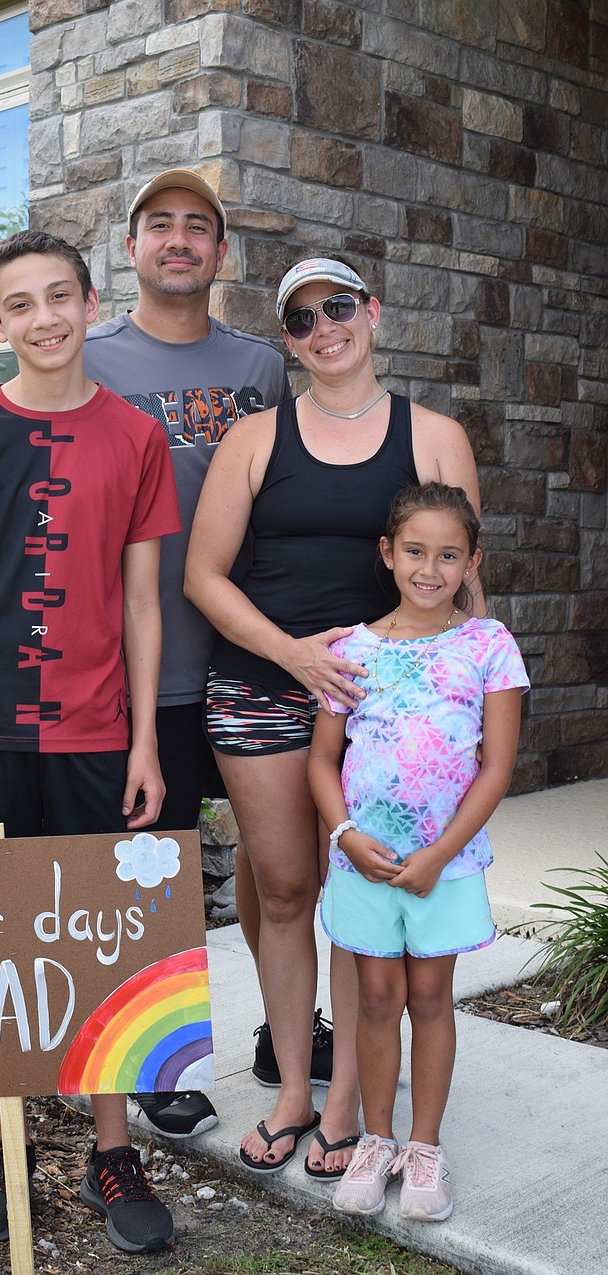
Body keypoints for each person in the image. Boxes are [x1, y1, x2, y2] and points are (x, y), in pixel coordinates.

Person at [0, 171, 336, 1139]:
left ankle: (285, 1032)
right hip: (113, 683)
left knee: (284, 875)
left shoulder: (258, 367)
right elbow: (13, 421)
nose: (180, 241)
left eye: (200, 228)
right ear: (130, 253)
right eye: (160, 226)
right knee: (139, 885)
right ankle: (148, 1072)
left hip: (241, 661)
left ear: (221, 254)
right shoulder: (85, 351)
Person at [0, 229, 182, 1253]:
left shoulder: (137, 436)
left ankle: (113, 1149)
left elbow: (144, 605)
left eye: (58, 297)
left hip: (98, 735)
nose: (43, 319)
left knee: (110, 942)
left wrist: (146, 744)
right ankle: (4, 1140)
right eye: (19, 305)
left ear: (89, 300)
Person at [184, 257, 485, 1178]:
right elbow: (203, 575)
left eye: (339, 307)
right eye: (302, 318)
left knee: (364, 895)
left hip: (382, 708)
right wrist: (295, 653)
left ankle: (348, 1099)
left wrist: (451, 723)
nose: (325, 327)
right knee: (283, 888)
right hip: (263, 684)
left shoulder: (433, 434)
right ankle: (291, 1091)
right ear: (289, 339)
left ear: (372, 313)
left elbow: (466, 586)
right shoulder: (253, 439)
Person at [308, 482, 528, 1220]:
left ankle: (424, 1148)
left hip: (446, 860)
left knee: (431, 996)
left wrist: (440, 853)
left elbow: (496, 766)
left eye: (448, 555)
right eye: (414, 551)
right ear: (387, 552)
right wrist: (344, 834)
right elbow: (321, 761)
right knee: (375, 998)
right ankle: (377, 1139)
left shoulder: (488, 645)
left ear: (472, 560)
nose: (430, 569)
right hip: (364, 856)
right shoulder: (353, 649)